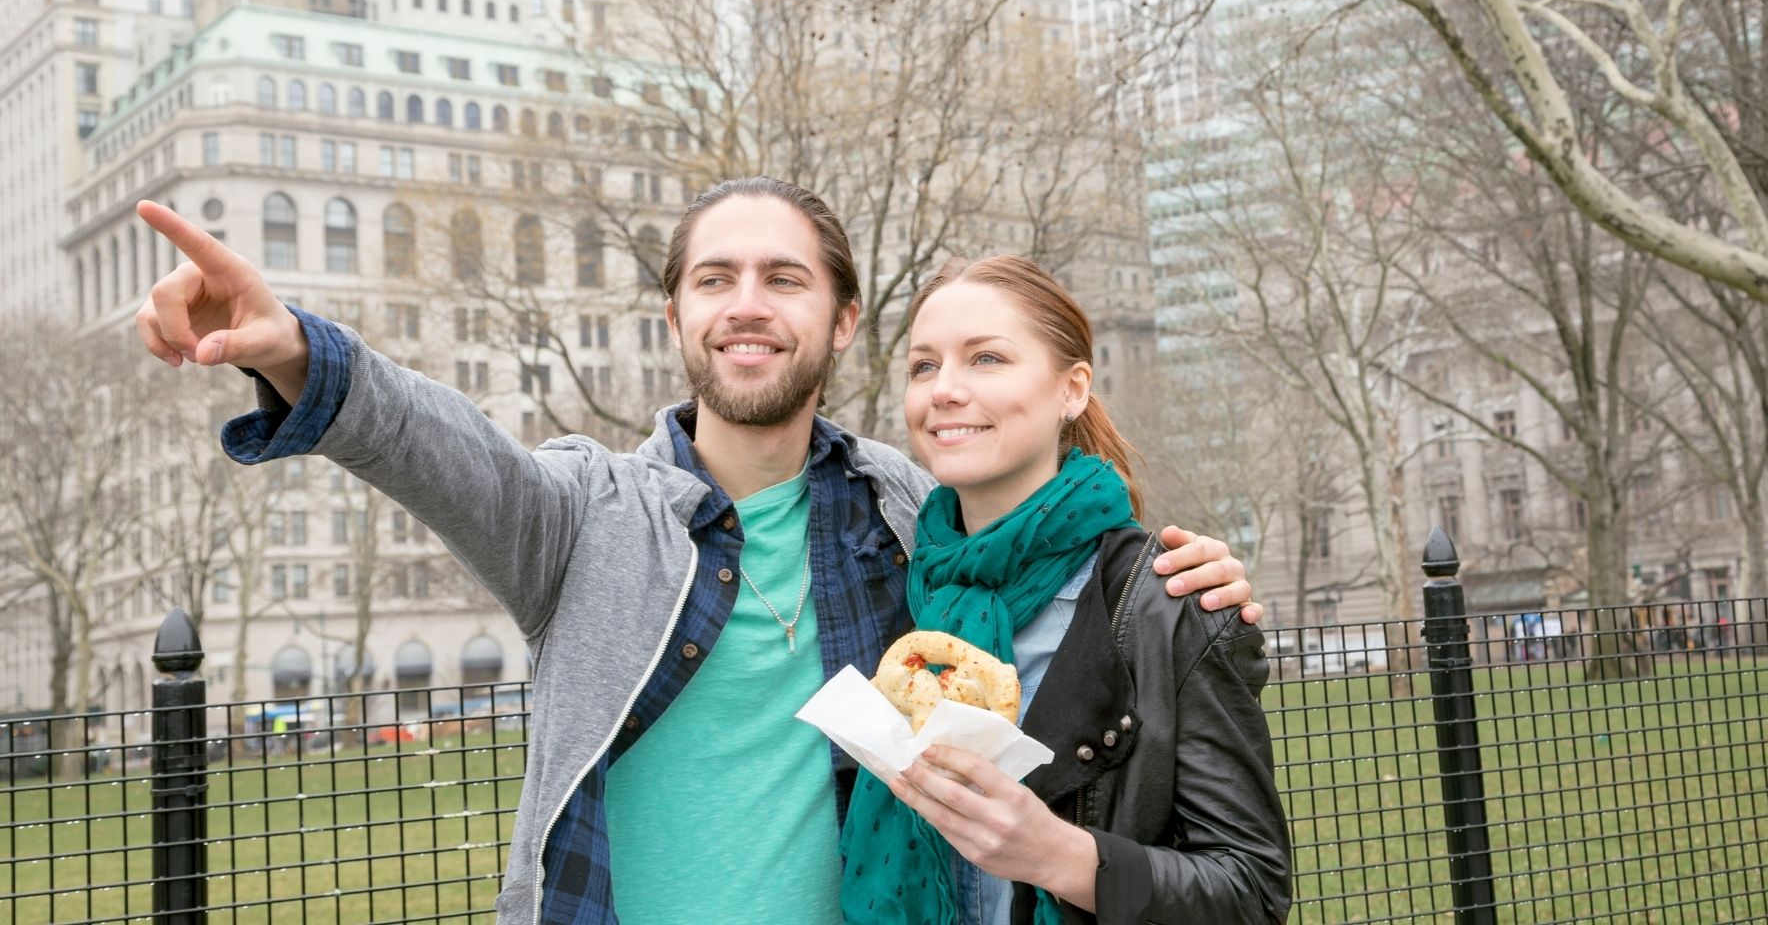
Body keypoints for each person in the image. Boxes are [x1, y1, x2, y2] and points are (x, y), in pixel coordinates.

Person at [130, 177, 1262, 924]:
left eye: (784, 279)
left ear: (843, 319)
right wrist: (294, 354)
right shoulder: (586, 514)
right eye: (714, 279)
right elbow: (438, 447)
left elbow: (1048, 537)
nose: (747, 306)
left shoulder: (906, 512)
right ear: (674, 316)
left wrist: (1196, 578)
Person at [842, 256, 1292, 924]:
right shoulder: (900, 582)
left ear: (1072, 389)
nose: (944, 389)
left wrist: (1061, 856)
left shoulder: (1165, 600)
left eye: (986, 359)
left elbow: (1252, 893)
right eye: (924, 365)